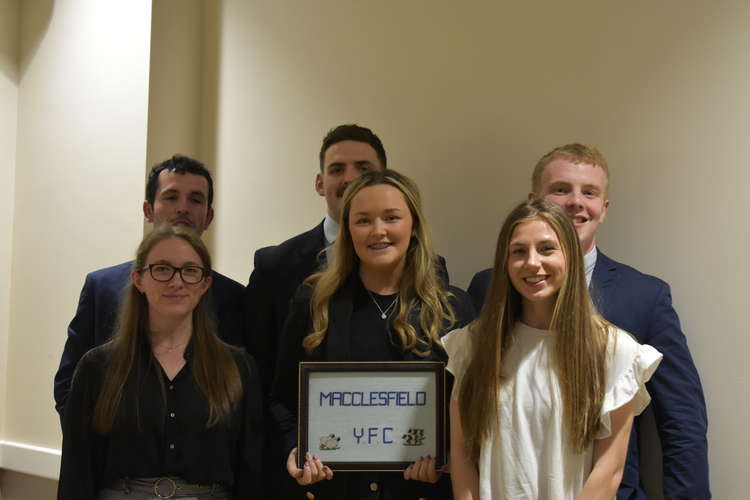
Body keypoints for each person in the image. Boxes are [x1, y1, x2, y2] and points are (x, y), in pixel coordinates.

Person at [466, 144, 709, 499]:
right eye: (561, 189)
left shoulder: (645, 297)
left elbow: (682, 421)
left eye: (589, 193)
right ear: (535, 200)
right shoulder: (489, 287)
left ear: (604, 209)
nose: (576, 202)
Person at [271, 170, 474, 499]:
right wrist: (296, 448)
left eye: (391, 217)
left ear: (414, 226)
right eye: (363, 220)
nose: (378, 231)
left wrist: (448, 456)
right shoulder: (314, 302)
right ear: (348, 230)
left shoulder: (453, 308)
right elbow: (282, 399)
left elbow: (474, 410)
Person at [447, 199, 661, 499]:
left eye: (547, 248)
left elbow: (609, 469)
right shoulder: (472, 345)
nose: (532, 262)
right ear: (505, 262)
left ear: (570, 257)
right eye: (519, 251)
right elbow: (462, 455)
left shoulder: (614, 351)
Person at [58, 225, 264, 500]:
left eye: (190, 270)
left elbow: (252, 472)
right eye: (162, 269)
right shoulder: (97, 368)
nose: (177, 282)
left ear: (205, 283)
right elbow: (77, 472)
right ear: (138, 279)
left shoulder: (238, 368)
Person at [54, 155, 246, 417]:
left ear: (208, 217)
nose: (183, 208)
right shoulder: (101, 288)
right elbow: (69, 384)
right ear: (148, 210)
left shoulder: (235, 297)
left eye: (195, 199)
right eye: (171, 197)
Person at [246, 124, 388, 391]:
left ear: (383, 180)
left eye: (363, 168)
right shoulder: (274, 267)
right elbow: (259, 372)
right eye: (337, 169)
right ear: (320, 183)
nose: (349, 178)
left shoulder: (428, 268)